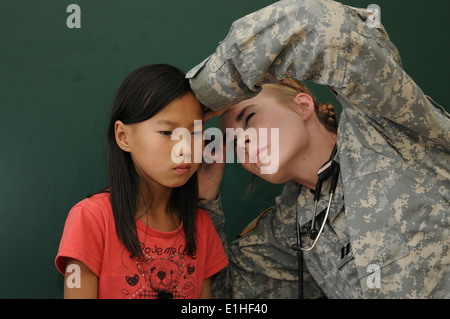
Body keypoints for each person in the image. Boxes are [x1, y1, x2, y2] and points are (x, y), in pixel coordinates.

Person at [188, 0, 450, 298]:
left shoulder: (383, 128)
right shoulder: (292, 227)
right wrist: (206, 202)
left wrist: (205, 94)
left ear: (303, 105)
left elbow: (322, 26)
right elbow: (223, 294)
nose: (242, 142)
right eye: (233, 143)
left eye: (249, 118)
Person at [55, 64, 228, 299]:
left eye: (195, 133)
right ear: (123, 136)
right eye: (167, 133)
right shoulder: (91, 219)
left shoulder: (202, 227)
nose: (185, 149)